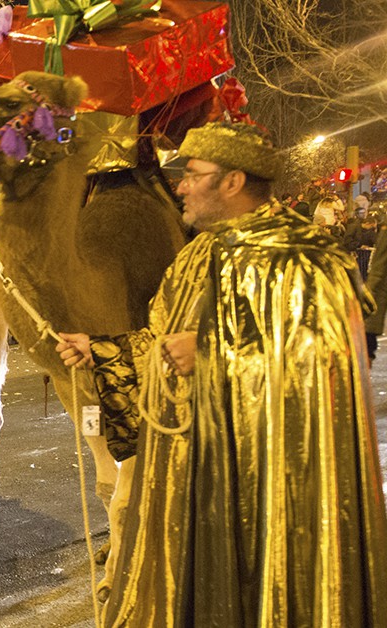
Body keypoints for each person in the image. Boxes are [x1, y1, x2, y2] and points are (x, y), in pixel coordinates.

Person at [56, 122, 387, 625]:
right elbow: (162, 341)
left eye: (193, 174)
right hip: (193, 475)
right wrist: (102, 350)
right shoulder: (196, 256)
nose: (180, 186)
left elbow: (326, 364)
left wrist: (211, 352)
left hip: (271, 480)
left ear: (232, 182)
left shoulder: (304, 259)